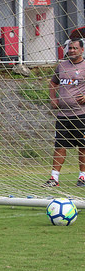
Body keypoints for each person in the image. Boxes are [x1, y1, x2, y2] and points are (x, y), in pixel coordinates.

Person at [44, 38, 85, 187]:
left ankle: (83, 177)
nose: (72, 50)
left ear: (82, 50)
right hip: (63, 115)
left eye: (75, 48)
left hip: (81, 115)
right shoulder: (62, 66)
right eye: (70, 48)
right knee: (59, 146)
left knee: (83, 146)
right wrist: (53, 98)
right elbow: (53, 83)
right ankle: (54, 179)